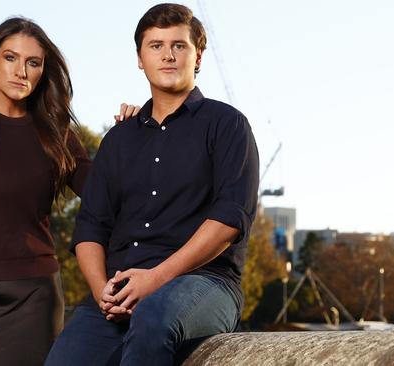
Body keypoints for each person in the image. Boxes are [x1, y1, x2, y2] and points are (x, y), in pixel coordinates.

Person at [45, 3, 260, 365]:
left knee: (153, 319)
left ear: (198, 57)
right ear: (140, 59)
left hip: (206, 283)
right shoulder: (119, 138)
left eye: (179, 45)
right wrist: (103, 293)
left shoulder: (228, 125)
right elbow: (90, 228)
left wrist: (156, 279)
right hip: (120, 288)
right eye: (156, 46)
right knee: (64, 358)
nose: (169, 55)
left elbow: (228, 221)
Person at [0, 17, 139, 366]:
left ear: (43, 71)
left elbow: (104, 191)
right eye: (10, 58)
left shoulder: (55, 132)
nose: (20, 71)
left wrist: (127, 138)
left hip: (36, 295)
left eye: (33, 62)